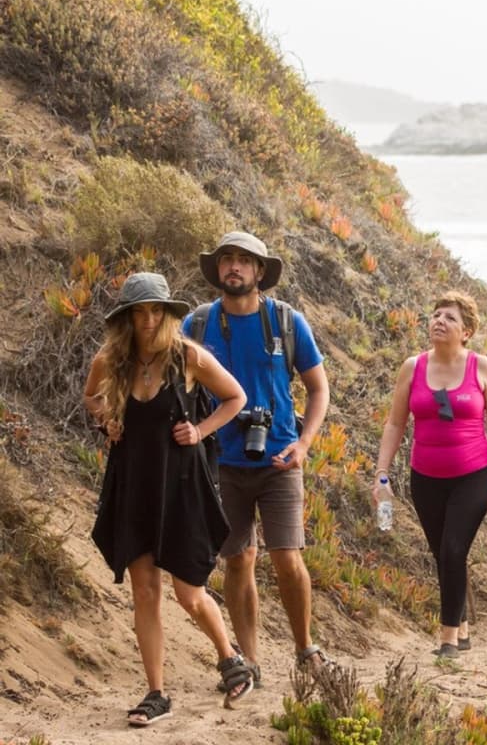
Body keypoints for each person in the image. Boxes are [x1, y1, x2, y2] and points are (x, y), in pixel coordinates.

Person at [85, 273, 252, 725]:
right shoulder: (112, 360)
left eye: (156, 310)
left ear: (167, 314)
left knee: (188, 592)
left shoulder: (187, 357)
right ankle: (156, 693)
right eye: (139, 312)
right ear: (127, 318)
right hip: (134, 485)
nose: (148, 319)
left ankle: (230, 658)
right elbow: (91, 398)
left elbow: (235, 397)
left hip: (180, 486)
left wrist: (200, 430)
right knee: (144, 591)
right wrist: (107, 421)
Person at [183, 231, 331, 681]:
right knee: (238, 558)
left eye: (244, 260)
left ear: (260, 271)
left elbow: (318, 388)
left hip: (279, 458)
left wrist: (303, 444)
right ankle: (249, 660)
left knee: (287, 557)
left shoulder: (286, 321)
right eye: (227, 259)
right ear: (217, 269)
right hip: (221, 461)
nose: (235, 267)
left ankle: (305, 648)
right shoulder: (197, 325)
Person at [373, 292, 487, 659]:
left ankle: (448, 638)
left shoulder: (481, 367)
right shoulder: (412, 367)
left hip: (474, 472)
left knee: (453, 548)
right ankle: (462, 626)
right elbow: (395, 423)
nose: (439, 321)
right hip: (425, 476)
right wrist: (382, 472)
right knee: (443, 554)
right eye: (436, 315)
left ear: (466, 332)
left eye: (450, 317)